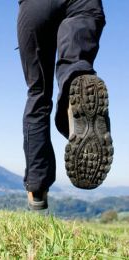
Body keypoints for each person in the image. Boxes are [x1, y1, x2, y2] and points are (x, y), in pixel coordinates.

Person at [17, 0, 114, 210]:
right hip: (84, 3)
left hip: (35, 7)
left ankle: (37, 191)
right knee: (76, 66)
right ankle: (74, 95)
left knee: (38, 96)